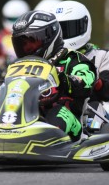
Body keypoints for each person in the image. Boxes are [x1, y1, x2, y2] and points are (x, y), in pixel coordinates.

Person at [11, 10, 96, 141]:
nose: (26, 48)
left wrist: (62, 78)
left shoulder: (74, 60)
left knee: (56, 115)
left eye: (31, 41)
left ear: (48, 38)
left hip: (67, 117)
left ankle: (43, 139)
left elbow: (86, 84)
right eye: (22, 43)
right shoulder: (18, 66)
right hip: (24, 114)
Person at [50, 0, 109, 127]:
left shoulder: (100, 55)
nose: (63, 34)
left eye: (68, 28)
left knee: (94, 108)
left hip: (88, 110)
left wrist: (92, 81)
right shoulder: (49, 56)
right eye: (59, 30)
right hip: (53, 108)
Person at [0, 0, 30, 82]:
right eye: (12, 19)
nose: (14, 22)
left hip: (30, 68)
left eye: (18, 19)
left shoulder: (32, 35)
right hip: (6, 71)